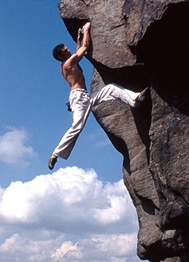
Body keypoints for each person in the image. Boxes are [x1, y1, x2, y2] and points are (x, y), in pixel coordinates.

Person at [48, 22, 148, 170]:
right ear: (61, 56)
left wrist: (79, 37)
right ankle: (55, 154)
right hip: (79, 99)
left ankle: (134, 99)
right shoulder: (68, 63)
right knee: (77, 127)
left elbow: (78, 52)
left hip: (85, 97)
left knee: (111, 89)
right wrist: (87, 31)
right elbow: (85, 49)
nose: (68, 50)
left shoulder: (68, 63)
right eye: (65, 50)